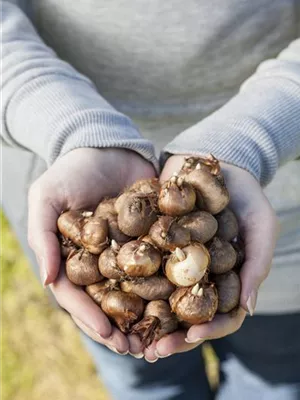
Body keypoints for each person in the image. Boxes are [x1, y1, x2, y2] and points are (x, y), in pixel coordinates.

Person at [2, 1, 300, 399]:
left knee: (273, 380)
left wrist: (252, 139)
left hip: (280, 225)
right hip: (65, 164)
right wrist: (71, 128)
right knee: (148, 383)